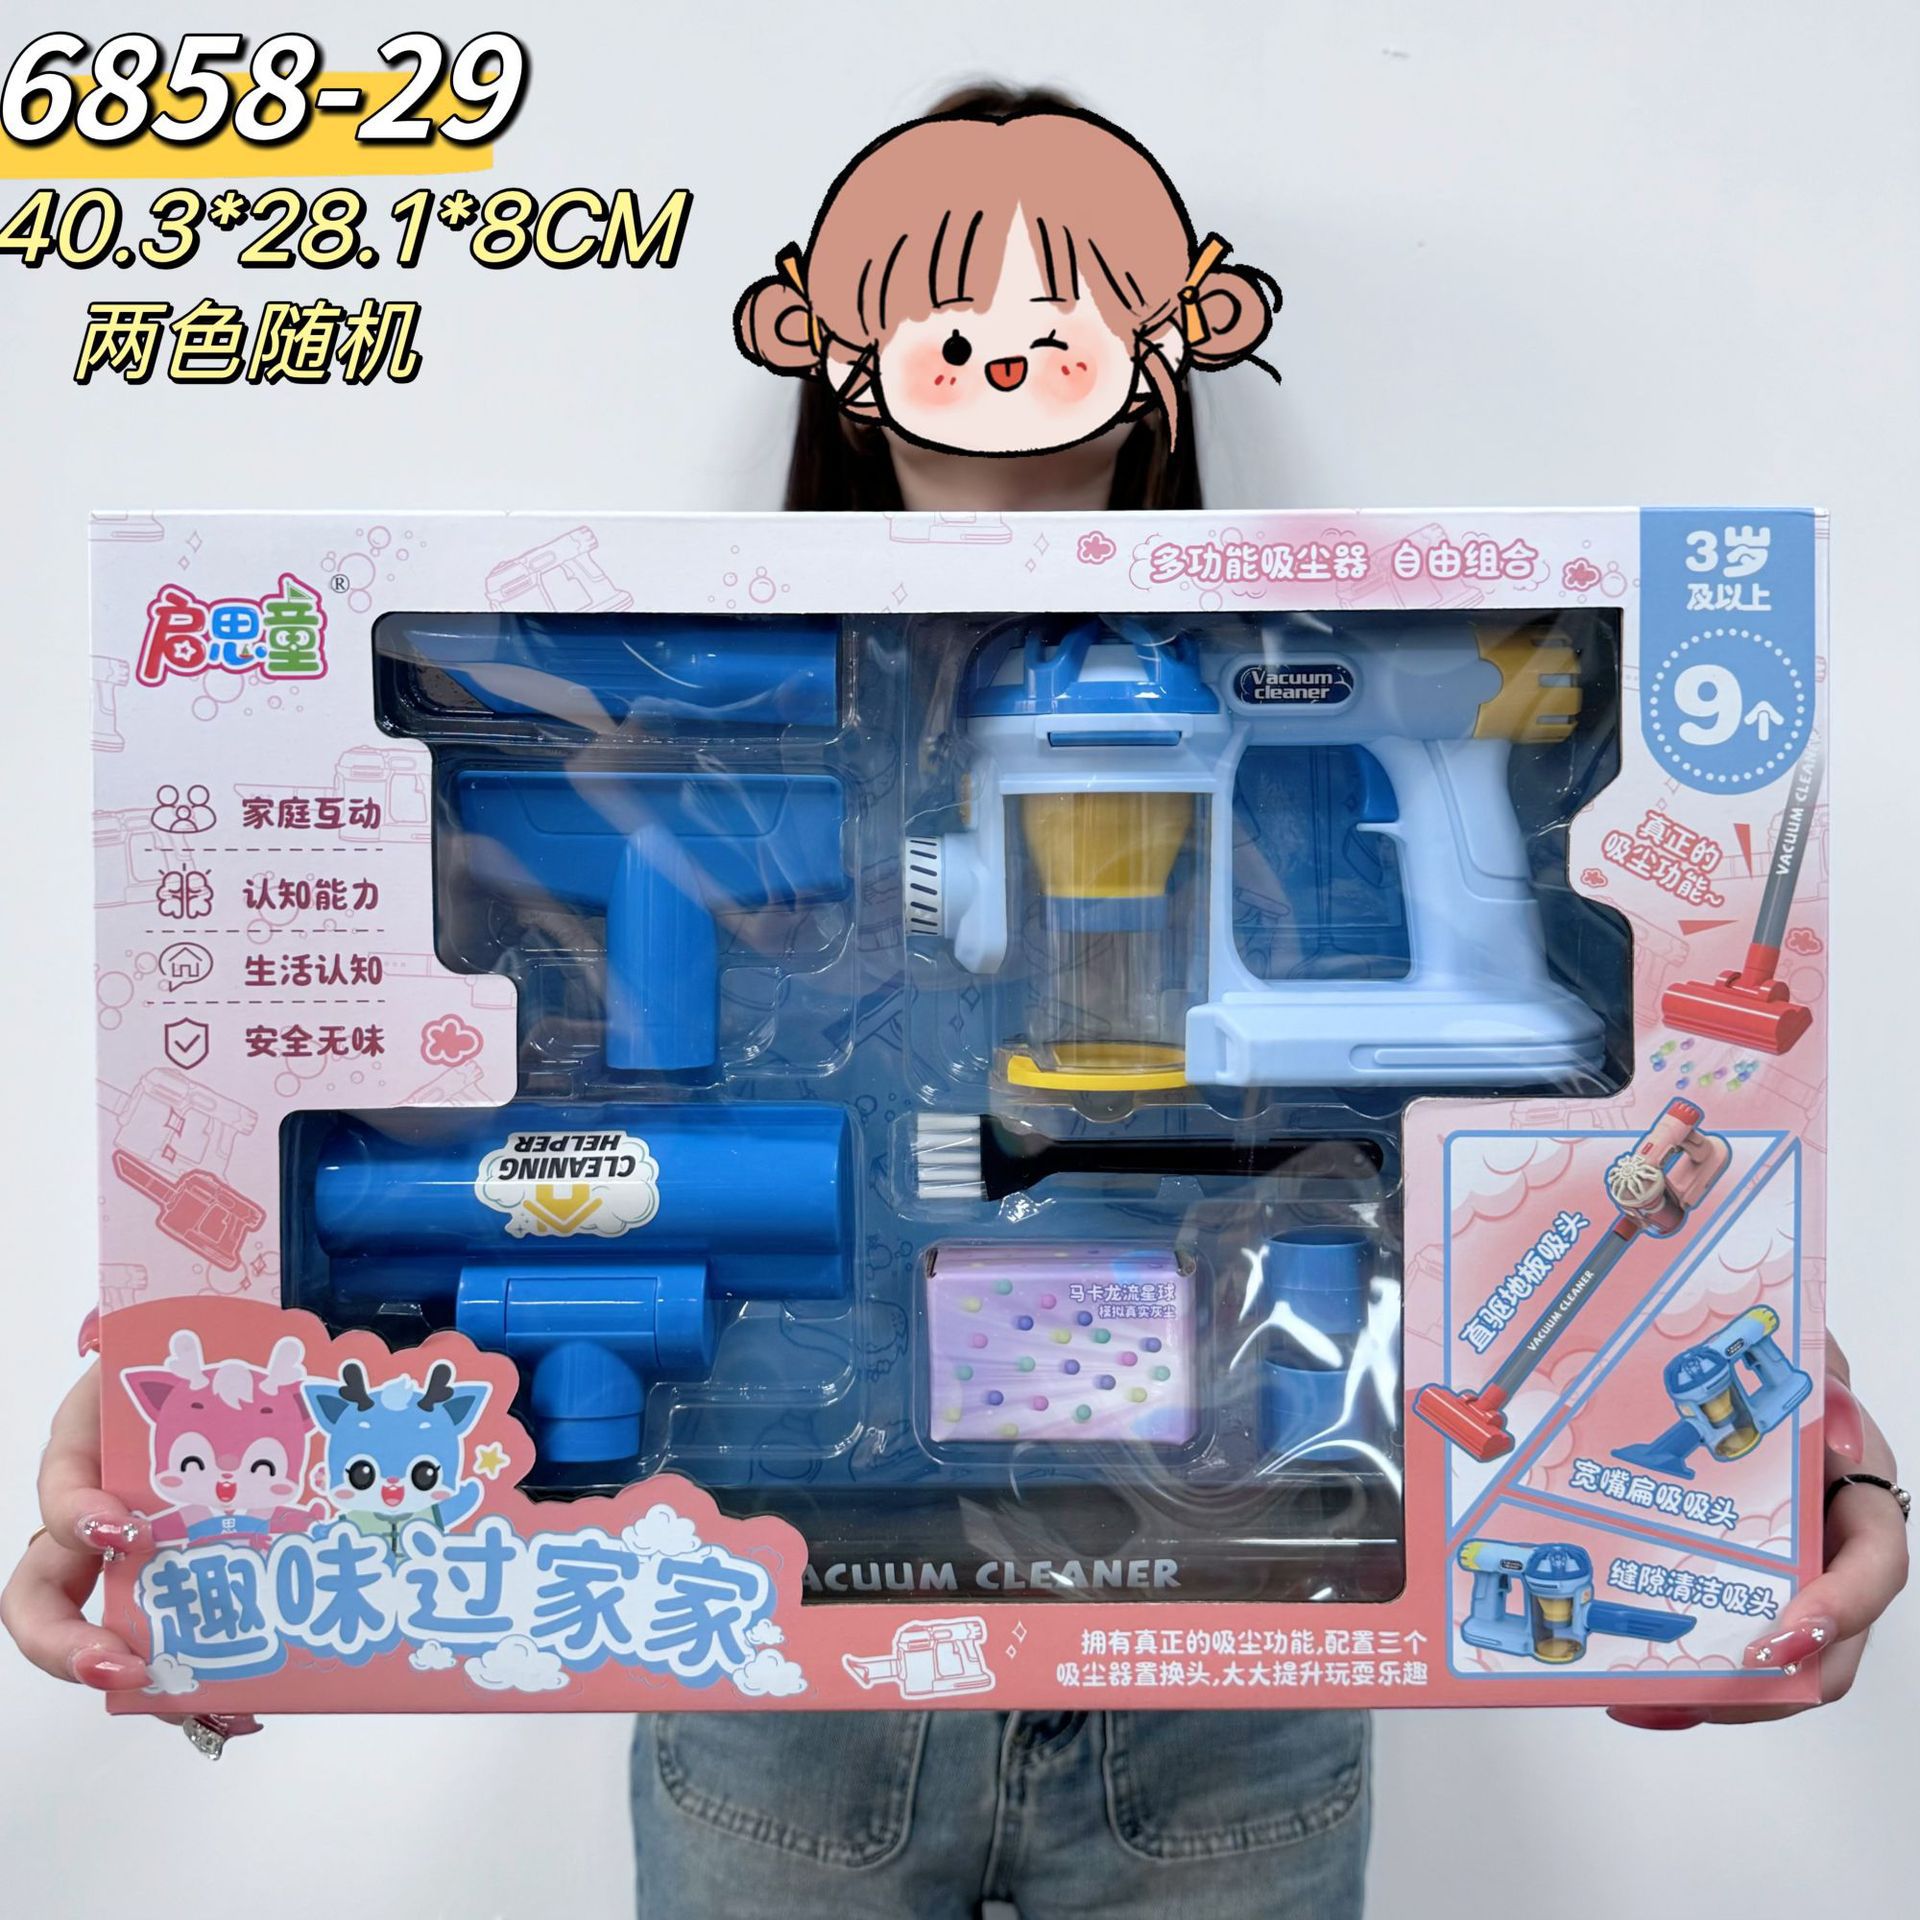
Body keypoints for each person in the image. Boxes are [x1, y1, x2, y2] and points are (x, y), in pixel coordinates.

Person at [5, 83, 1906, 1920]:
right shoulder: (638, 728)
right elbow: (390, 1121)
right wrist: (177, 1404)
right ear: (828, 355)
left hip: (1238, 1650)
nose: (1008, 351)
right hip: (785, 1659)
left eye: (1072, 302)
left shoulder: (1311, 676)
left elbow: (1611, 1147)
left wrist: (1777, 1434)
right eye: (939, 309)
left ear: (1182, 338)